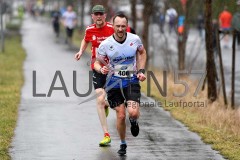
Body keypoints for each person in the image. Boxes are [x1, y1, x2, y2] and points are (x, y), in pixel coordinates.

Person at [94, 13, 147, 155]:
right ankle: (123, 144)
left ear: (127, 26)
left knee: (133, 112)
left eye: (123, 26)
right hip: (113, 83)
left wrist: (141, 70)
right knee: (121, 115)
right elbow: (96, 63)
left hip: (131, 80)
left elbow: (142, 53)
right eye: (117, 26)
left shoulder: (134, 39)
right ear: (113, 26)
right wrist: (101, 68)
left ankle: (134, 121)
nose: (120, 29)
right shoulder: (105, 44)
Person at [74, 5, 114, 147]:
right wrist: (80, 51)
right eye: (96, 14)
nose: (98, 16)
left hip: (112, 69)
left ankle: (109, 104)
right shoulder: (89, 30)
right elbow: (86, 40)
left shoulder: (112, 28)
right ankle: (106, 135)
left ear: (105, 16)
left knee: (112, 101)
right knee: (99, 98)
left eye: (100, 14)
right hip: (97, 68)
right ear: (92, 16)